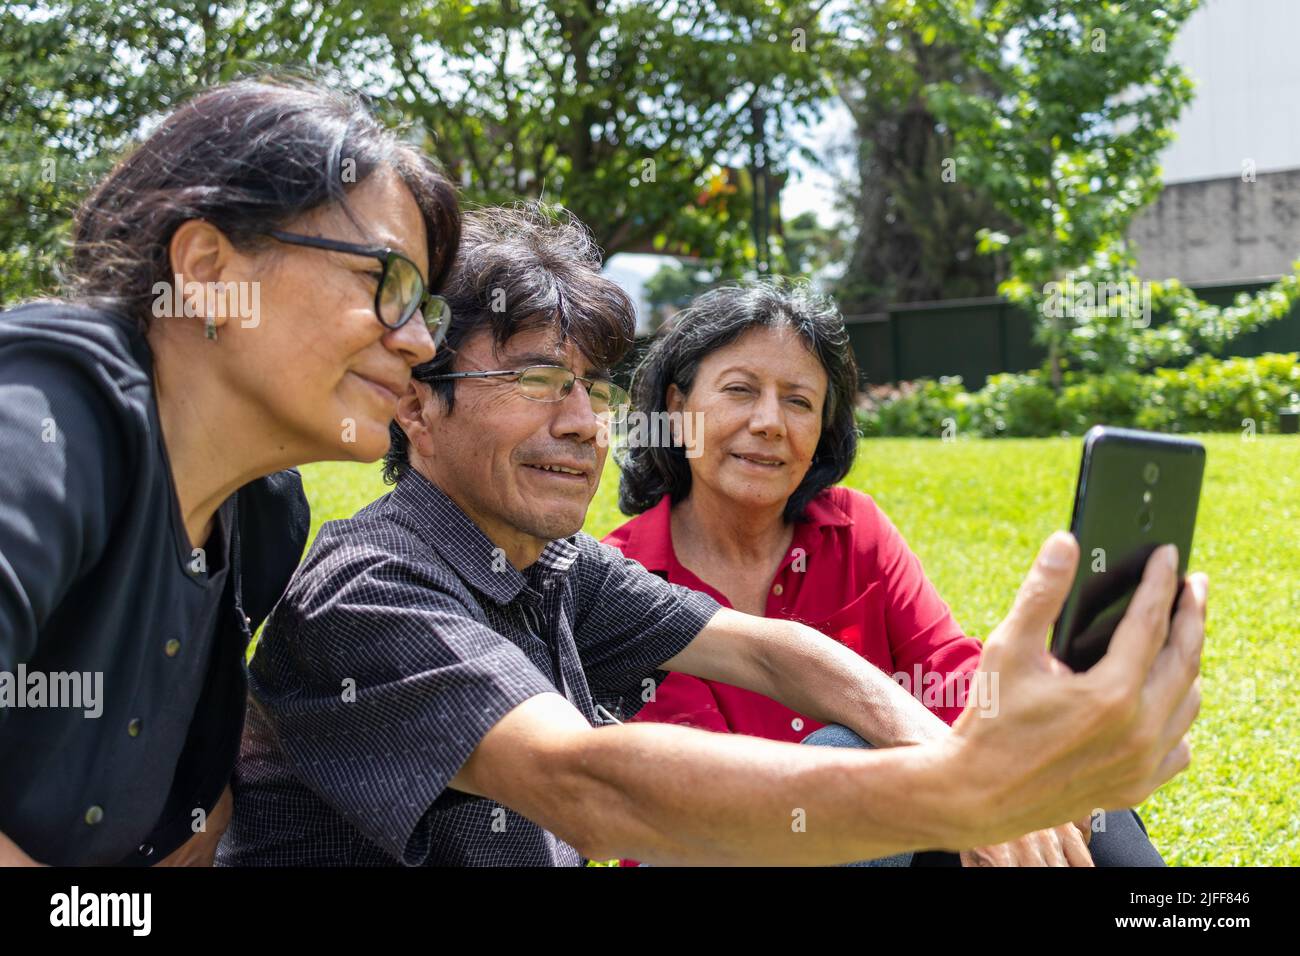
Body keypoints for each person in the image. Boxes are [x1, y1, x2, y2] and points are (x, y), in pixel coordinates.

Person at [219, 203, 1206, 867]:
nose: (581, 421)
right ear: (417, 409)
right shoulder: (371, 590)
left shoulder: (553, 565)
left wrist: (944, 748)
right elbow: (590, 784)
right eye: (532, 379)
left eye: (593, 388)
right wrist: (959, 789)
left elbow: (777, 649)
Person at [0, 75, 460, 866]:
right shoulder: (45, 423)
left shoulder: (264, 518)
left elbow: (190, 820)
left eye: (426, 307)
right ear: (208, 270)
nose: (420, 342)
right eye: (388, 283)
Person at [606, 280, 1164, 866]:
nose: (769, 422)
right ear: (676, 407)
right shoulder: (623, 577)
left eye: (798, 401)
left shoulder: (854, 529)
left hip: (897, 834)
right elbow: (691, 805)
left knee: (1057, 768)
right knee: (846, 753)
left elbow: (951, 676)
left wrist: (1028, 750)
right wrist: (933, 771)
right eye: (740, 391)